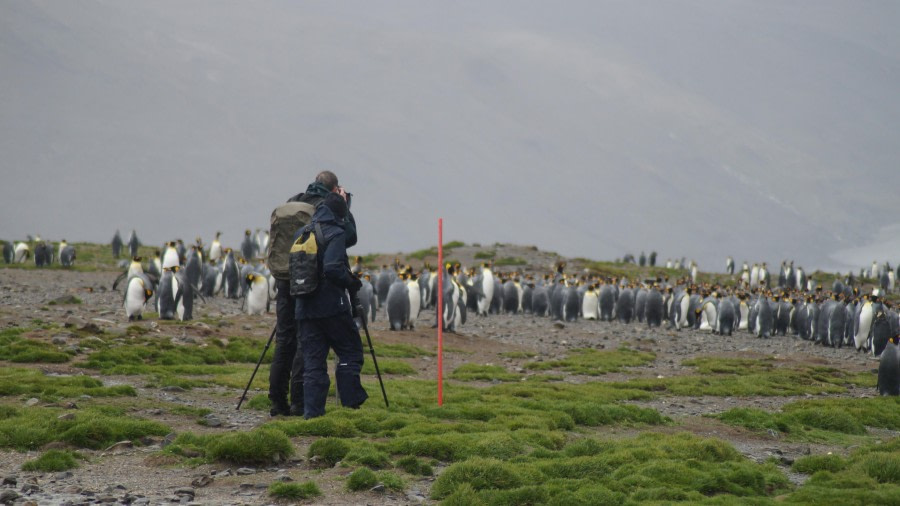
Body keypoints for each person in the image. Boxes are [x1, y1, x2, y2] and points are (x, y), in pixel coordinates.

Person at [268, 170, 357, 416]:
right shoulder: (325, 208)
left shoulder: (294, 202)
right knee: (305, 342)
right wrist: (344, 206)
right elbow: (349, 237)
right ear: (333, 189)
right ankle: (300, 402)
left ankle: (276, 401)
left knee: (284, 340)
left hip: (286, 279)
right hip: (313, 286)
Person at [295, 190, 367, 418]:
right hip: (330, 307)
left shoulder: (302, 232)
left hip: (304, 307)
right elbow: (333, 268)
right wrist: (351, 282)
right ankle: (349, 407)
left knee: (313, 362)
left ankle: (312, 415)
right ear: (340, 214)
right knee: (350, 352)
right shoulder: (335, 233)